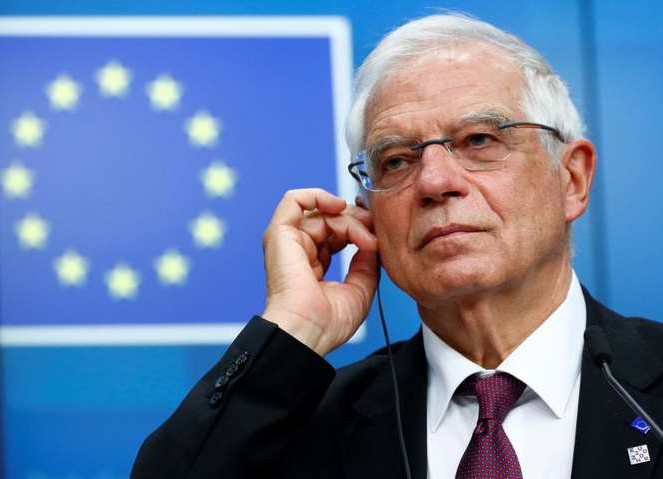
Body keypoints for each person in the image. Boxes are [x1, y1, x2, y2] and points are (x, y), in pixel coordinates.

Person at [131, 13, 663, 479]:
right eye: (397, 161)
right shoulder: (300, 427)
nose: (434, 182)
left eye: (479, 140)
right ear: (368, 215)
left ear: (571, 179)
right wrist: (294, 330)